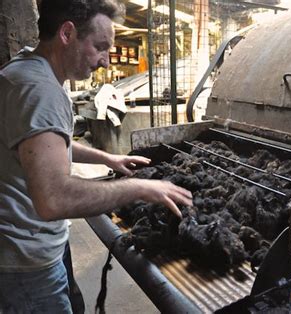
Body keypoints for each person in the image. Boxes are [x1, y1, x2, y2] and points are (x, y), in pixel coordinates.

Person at [0, 0, 193, 313]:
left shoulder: (28, 69)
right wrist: (140, 189)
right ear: (67, 33)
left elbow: (44, 145)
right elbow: (53, 198)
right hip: (27, 261)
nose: (105, 62)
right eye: (100, 47)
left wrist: (107, 159)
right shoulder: (40, 91)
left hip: (31, 242)